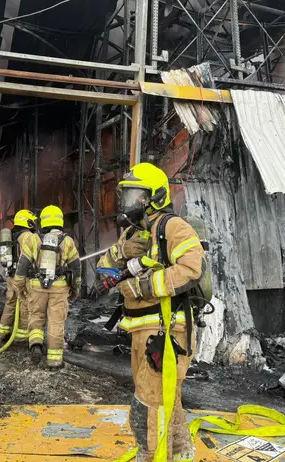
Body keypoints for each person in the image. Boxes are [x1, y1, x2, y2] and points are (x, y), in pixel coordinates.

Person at [96, 163, 205, 462]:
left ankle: (151, 456)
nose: (129, 202)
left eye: (136, 195)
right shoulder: (133, 233)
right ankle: (181, 452)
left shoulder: (172, 227)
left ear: (155, 196)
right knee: (166, 397)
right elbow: (106, 264)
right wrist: (113, 264)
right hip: (140, 330)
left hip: (167, 331)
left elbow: (192, 268)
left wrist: (145, 285)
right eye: (127, 195)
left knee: (148, 405)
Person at [13, 205, 81, 367]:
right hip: (59, 288)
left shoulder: (33, 239)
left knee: (36, 317)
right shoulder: (68, 241)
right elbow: (76, 268)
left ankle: (36, 344)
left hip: (37, 286)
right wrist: (75, 289)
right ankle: (54, 360)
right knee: (56, 322)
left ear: (43, 221)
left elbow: (22, 265)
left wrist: (20, 286)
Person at [0, 209, 37, 343]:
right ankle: (21, 336)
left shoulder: (12, 235)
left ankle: (3, 332)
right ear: (27, 222)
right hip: (23, 276)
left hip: (10, 275)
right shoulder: (27, 236)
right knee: (25, 304)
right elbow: (30, 256)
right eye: (32, 221)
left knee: (10, 302)